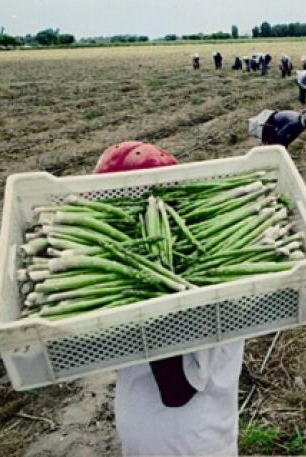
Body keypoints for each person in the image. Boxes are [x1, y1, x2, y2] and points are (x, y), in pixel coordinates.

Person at [94, 143, 245, 457]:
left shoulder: (200, 286)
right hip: (151, 434)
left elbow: (177, 390)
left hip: (186, 443)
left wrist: (148, 299)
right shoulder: (157, 265)